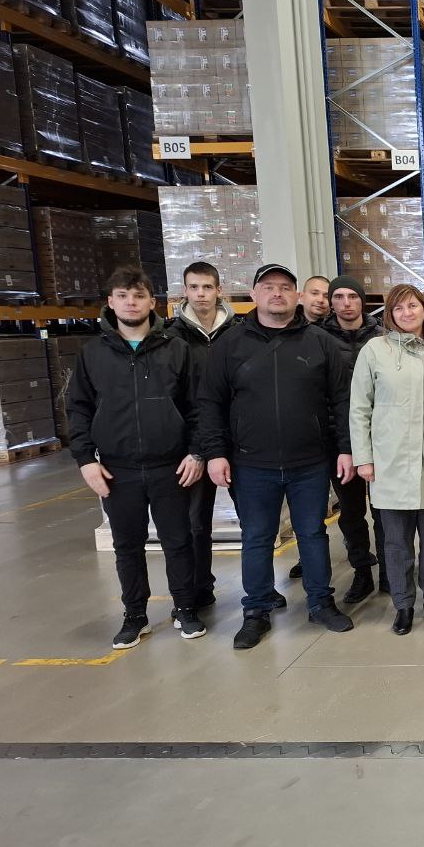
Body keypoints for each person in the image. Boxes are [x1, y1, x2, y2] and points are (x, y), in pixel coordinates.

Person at [200, 263, 356, 650]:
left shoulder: (319, 342)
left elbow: (341, 400)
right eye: (268, 287)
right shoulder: (230, 345)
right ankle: (256, 610)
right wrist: (216, 453)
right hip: (251, 463)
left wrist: (346, 448)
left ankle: (321, 603)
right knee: (256, 538)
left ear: (297, 296)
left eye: (285, 287)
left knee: (313, 534)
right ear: (253, 295)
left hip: (310, 462)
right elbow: (211, 402)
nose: (277, 293)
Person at [68, 266, 203, 648]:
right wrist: (85, 460)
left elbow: (197, 406)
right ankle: (135, 616)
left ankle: (185, 608)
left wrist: (196, 452)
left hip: (170, 466)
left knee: (179, 541)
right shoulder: (93, 354)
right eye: (123, 296)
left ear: (151, 302)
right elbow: (78, 408)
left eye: (139, 295)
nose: (131, 303)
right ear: (110, 302)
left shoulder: (175, 349)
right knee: (127, 545)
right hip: (117, 468)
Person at [349, 284, 424, 634]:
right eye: (399, 308)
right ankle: (403, 605)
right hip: (389, 461)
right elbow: (359, 408)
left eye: (413, 306)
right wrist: (364, 458)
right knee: (396, 542)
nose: (407, 313)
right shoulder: (375, 351)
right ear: (390, 314)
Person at [166, 261, 239, 610]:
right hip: (193, 444)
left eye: (207, 287)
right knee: (196, 523)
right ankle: (199, 588)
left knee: (254, 520)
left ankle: (262, 591)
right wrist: (196, 449)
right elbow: (173, 397)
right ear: (185, 292)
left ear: (219, 291)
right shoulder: (171, 338)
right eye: (194, 287)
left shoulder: (238, 333)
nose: (201, 294)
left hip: (237, 440)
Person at [312, 274, 385, 602]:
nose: (346, 303)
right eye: (338, 297)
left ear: (362, 301)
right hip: (339, 439)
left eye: (352, 297)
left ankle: (390, 571)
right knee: (352, 512)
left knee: (384, 509)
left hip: (381, 436)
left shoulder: (382, 335)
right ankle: (362, 572)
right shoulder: (318, 338)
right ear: (331, 302)